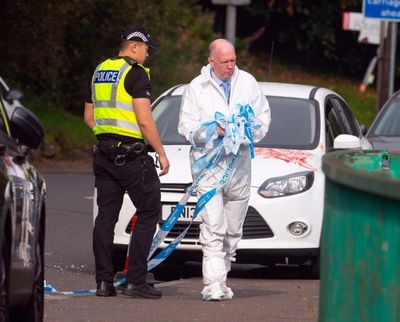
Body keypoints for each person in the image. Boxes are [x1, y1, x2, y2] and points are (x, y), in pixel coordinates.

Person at [178, 38, 271, 301]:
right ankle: (213, 284)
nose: (231, 66)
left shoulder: (248, 83)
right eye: (225, 62)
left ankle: (223, 277)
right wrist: (214, 131)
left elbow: (263, 120)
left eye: (233, 60)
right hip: (209, 167)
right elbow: (186, 127)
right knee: (214, 226)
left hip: (240, 168)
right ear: (211, 62)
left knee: (232, 230)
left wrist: (245, 129)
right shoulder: (197, 88)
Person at [84, 25, 169, 299]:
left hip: (104, 155)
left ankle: (103, 283)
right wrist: (161, 152)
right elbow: (144, 120)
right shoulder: (135, 74)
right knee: (148, 212)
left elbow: (89, 118)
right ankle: (135, 281)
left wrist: (109, 138)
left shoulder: (100, 71)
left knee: (105, 217)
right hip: (132, 157)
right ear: (134, 47)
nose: (147, 54)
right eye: (146, 49)